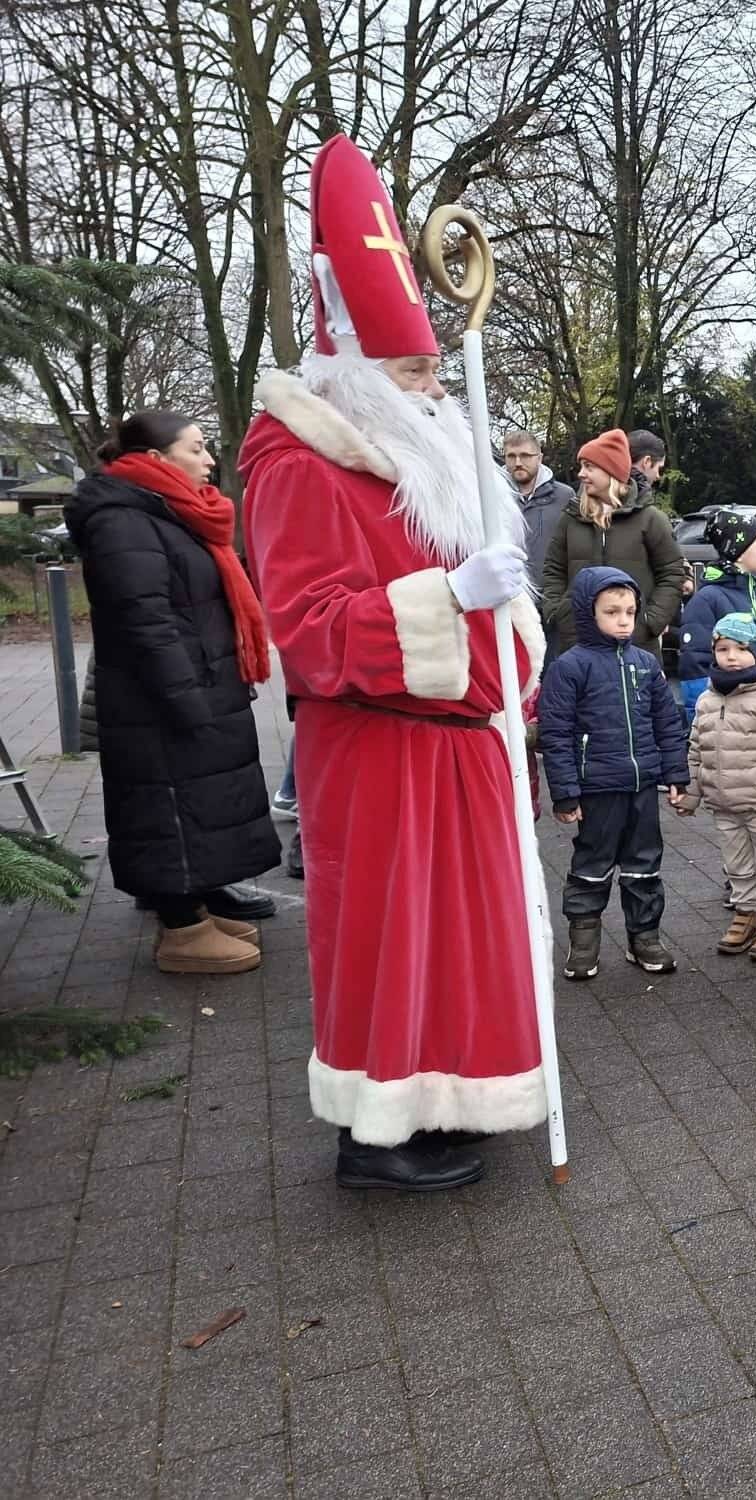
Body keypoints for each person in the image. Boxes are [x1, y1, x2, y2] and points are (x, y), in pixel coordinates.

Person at [238, 135, 546, 1190]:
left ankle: (449, 1100)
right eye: (411, 370)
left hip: (461, 747)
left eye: (431, 369)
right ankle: (375, 1137)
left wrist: (504, 617)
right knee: (390, 941)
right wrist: (449, 599)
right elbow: (312, 632)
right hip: (382, 753)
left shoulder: (430, 455)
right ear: (357, 373)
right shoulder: (299, 466)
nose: (431, 385)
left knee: (460, 943)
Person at [70, 409, 282, 976]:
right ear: (156, 459)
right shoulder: (122, 521)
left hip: (198, 685)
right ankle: (182, 929)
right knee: (167, 808)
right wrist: (185, 697)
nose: (209, 459)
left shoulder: (168, 510)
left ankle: (200, 905)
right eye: (196, 448)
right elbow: (145, 620)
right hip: (160, 701)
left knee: (199, 804)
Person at [539, 566, 690, 980]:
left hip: (642, 786)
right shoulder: (570, 667)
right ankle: (584, 940)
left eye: (629, 612)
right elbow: (556, 733)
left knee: (644, 864)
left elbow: (667, 724)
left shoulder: (645, 663)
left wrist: (676, 775)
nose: (624, 621)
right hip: (597, 788)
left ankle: (644, 937)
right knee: (592, 862)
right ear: (588, 613)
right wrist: (565, 793)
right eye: (611, 612)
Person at [687, 614, 756, 960]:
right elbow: (696, 748)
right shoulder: (707, 699)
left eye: (741, 648)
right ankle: (745, 912)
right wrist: (691, 793)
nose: (731, 656)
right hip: (723, 802)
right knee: (736, 864)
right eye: (723, 649)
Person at [540, 428, 688, 659]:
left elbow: (672, 573)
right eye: (582, 466)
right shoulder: (570, 519)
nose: (581, 474)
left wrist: (649, 622)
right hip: (577, 647)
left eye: (589, 467)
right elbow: (553, 570)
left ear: (611, 471)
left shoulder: (651, 519)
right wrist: (558, 613)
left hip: (636, 648)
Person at [678, 513, 756, 706]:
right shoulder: (706, 601)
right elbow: (695, 669)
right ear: (738, 553)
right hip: (733, 716)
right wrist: (703, 716)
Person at [502, 430, 573, 576]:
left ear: (539, 458)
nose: (518, 463)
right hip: (506, 586)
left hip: (550, 586)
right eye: (511, 456)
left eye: (525, 456)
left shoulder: (564, 496)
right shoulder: (493, 497)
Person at [627, 429, 667, 504]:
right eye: (659, 468)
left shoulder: (606, 494)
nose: (658, 476)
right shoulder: (645, 509)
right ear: (647, 461)